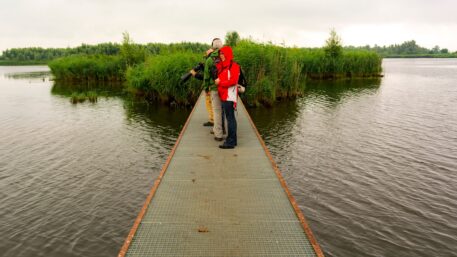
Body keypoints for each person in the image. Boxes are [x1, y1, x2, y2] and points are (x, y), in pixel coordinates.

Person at [191, 38, 223, 129]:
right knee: (219, 107)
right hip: (222, 85)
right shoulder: (222, 56)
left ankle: (213, 121)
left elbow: (206, 76)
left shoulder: (210, 60)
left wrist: (205, 88)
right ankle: (217, 123)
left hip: (212, 86)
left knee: (211, 104)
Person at [215, 46, 239, 149]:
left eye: (223, 53)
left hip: (229, 95)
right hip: (224, 94)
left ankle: (231, 142)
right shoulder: (223, 66)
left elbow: (233, 81)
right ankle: (232, 140)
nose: (221, 56)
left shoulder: (234, 66)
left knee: (230, 118)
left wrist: (220, 83)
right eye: (220, 54)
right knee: (230, 118)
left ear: (228, 54)